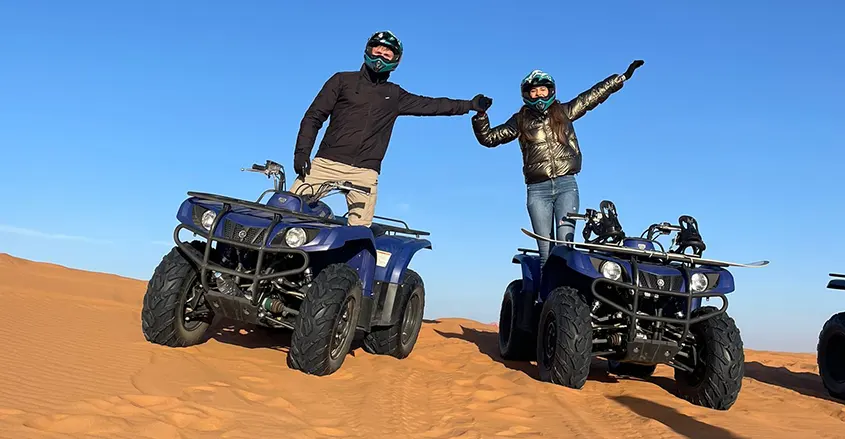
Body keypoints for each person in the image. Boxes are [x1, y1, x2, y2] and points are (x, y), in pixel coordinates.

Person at [291, 30, 492, 226]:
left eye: (387, 54)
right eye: (377, 51)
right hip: (326, 163)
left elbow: (432, 105)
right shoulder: (342, 80)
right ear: (368, 50)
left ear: (395, 61)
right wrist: (302, 152)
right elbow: (313, 117)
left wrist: (470, 105)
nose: (381, 57)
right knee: (287, 211)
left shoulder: (394, 95)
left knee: (358, 233)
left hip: (364, 172)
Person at [471, 61, 644, 268]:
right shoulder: (520, 120)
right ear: (526, 94)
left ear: (551, 90)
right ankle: (545, 299)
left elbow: (592, 97)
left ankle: (565, 297)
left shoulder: (563, 112)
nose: (539, 94)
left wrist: (621, 78)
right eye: (533, 91)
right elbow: (490, 138)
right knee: (545, 251)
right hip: (537, 190)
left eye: (543, 89)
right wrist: (481, 116)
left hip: (566, 185)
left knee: (564, 247)